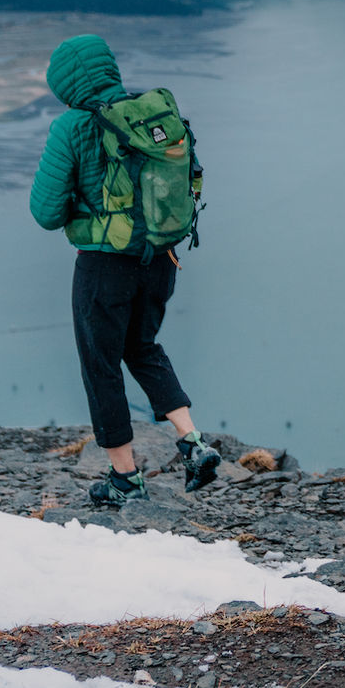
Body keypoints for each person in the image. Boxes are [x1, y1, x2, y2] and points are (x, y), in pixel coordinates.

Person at [29, 33, 221, 507]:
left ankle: (125, 478)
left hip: (104, 266)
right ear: (108, 68)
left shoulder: (71, 127)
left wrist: (80, 206)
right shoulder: (150, 113)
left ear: (64, 82)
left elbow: (45, 211)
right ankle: (193, 442)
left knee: (101, 363)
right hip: (160, 258)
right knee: (144, 347)